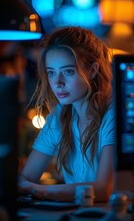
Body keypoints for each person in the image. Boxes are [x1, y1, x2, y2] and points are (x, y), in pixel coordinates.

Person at [18, 26, 115, 203]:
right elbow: (26, 177)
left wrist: (38, 190)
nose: (57, 83)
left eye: (68, 71)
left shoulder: (113, 114)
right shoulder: (59, 116)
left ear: (92, 70)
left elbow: (102, 189)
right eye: (51, 73)